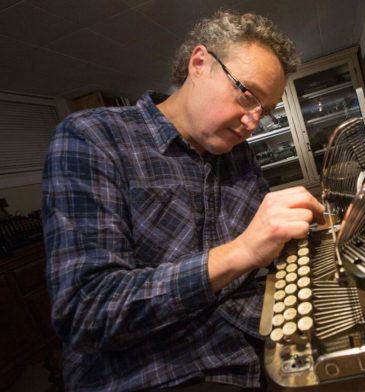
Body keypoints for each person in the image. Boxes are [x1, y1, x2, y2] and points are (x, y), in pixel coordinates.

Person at [42, 10, 324, 392]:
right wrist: (239, 252)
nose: (253, 122)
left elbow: (267, 248)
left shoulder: (238, 155)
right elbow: (85, 312)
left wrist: (325, 228)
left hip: (251, 346)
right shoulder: (92, 138)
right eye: (247, 94)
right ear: (199, 63)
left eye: (266, 111)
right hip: (153, 372)